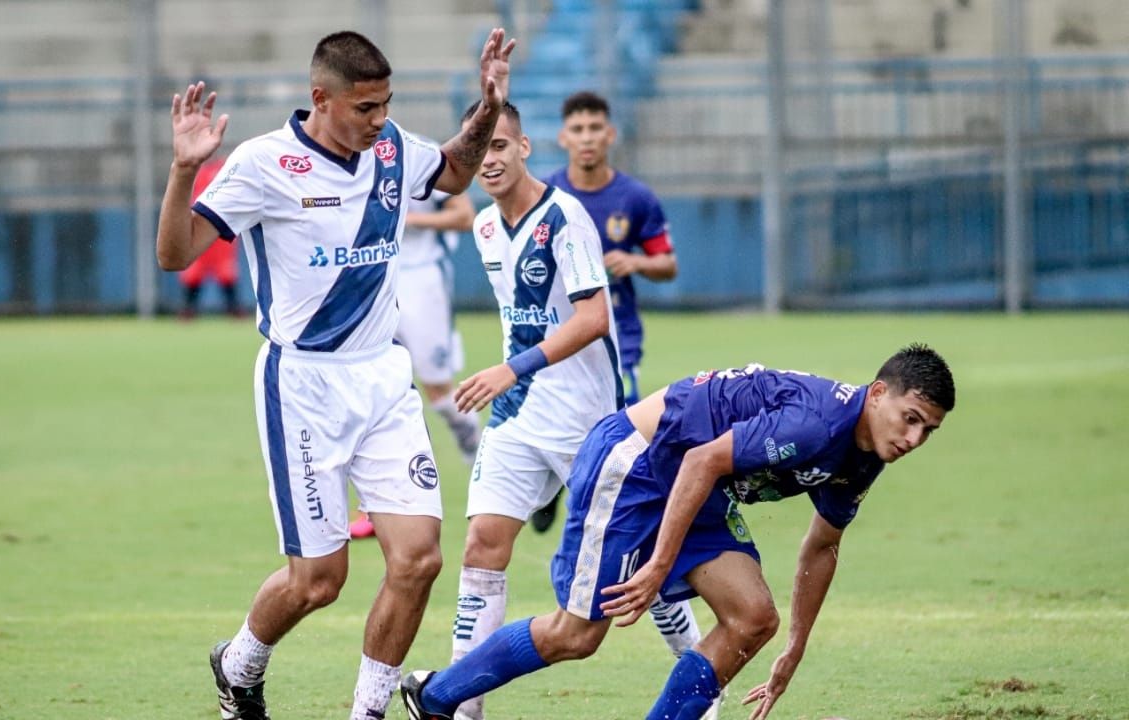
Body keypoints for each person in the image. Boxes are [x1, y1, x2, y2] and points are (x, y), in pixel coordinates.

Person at [155, 28, 516, 720]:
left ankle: (368, 712)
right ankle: (239, 665)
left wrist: (488, 107)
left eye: (386, 105)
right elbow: (175, 255)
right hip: (303, 388)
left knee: (418, 560)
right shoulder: (263, 164)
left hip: (383, 378)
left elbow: (451, 172)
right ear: (321, 98)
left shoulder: (388, 148)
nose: (379, 121)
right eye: (365, 108)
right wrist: (182, 171)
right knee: (320, 581)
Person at [402, 344, 956, 720]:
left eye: (928, 430)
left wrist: (794, 648)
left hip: (699, 480)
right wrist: (659, 567)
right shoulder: (818, 423)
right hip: (639, 462)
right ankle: (434, 697)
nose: (914, 438)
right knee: (577, 636)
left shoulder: (864, 457)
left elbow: (823, 543)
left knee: (753, 619)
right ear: (879, 394)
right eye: (910, 418)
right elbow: (699, 461)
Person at [440, 101, 702, 720]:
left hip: (590, 423)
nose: (490, 161)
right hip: (516, 417)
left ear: (526, 148)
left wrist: (514, 366)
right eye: (479, 152)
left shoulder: (565, 218)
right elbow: (521, 320)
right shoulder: (482, 227)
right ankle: (461, 703)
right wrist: (511, 378)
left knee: (643, 566)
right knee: (482, 542)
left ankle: (701, 686)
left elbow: (592, 318)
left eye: (500, 147)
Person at [530, 90, 680, 535]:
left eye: (595, 128)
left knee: (620, 429)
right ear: (562, 138)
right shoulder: (547, 196)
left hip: (618, 337)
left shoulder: (635, 197)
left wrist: (635, 262)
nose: (587, 138)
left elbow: (667, 263)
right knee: (554, 418)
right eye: (577, 129)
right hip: (558, 332)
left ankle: (623, 516)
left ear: (610, 134)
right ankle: (552, 487)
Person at [350, 188, 481, 540]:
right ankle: (372, 506)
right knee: (373, 390)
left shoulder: (421, 159)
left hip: (422, 280)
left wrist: (409, 220)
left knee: (438, 389)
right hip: (370, 278)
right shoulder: (346, 158)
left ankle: (476, 447)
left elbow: (464, 216)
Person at [178, 157, 241, 319]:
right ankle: (188, 309)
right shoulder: (196, 173)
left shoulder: (229, 169)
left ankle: (234, 309)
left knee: (226, 273)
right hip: (202, 228)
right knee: (194, 273)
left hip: (221, 233)